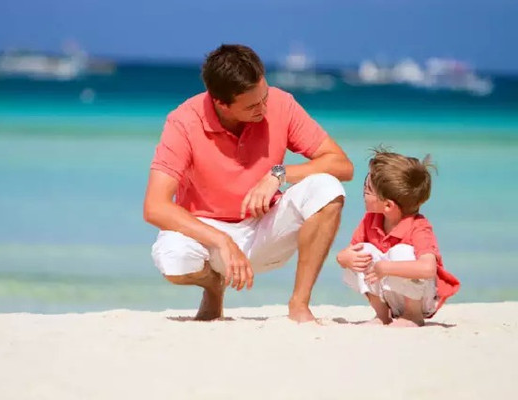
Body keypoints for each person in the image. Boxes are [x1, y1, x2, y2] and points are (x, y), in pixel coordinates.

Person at [143, 44, 353, 323]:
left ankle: (299, 304)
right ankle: (213, 286)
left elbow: (342, 165)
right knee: (173, 260)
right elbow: (155, 207)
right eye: (253, 105)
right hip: (209, 236)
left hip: (265, 229)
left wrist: (278, 173)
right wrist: (221, 240)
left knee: (328, 188)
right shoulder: (183, 122)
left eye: (264, 97)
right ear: (221, 103)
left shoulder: (280, 103)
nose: (264, 109)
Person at [337, 149, 460, 327]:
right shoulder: (370, 220)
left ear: (388, 205)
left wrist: (386, 268)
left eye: (368, 190)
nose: (363, 192)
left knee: (401, 251)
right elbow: (351, 252)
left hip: (422, 298)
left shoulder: (418, 227)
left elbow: (428, 268)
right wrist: (343, 258)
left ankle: (412, 315)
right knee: (361, 252)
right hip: (390, 294)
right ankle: (382, 314)